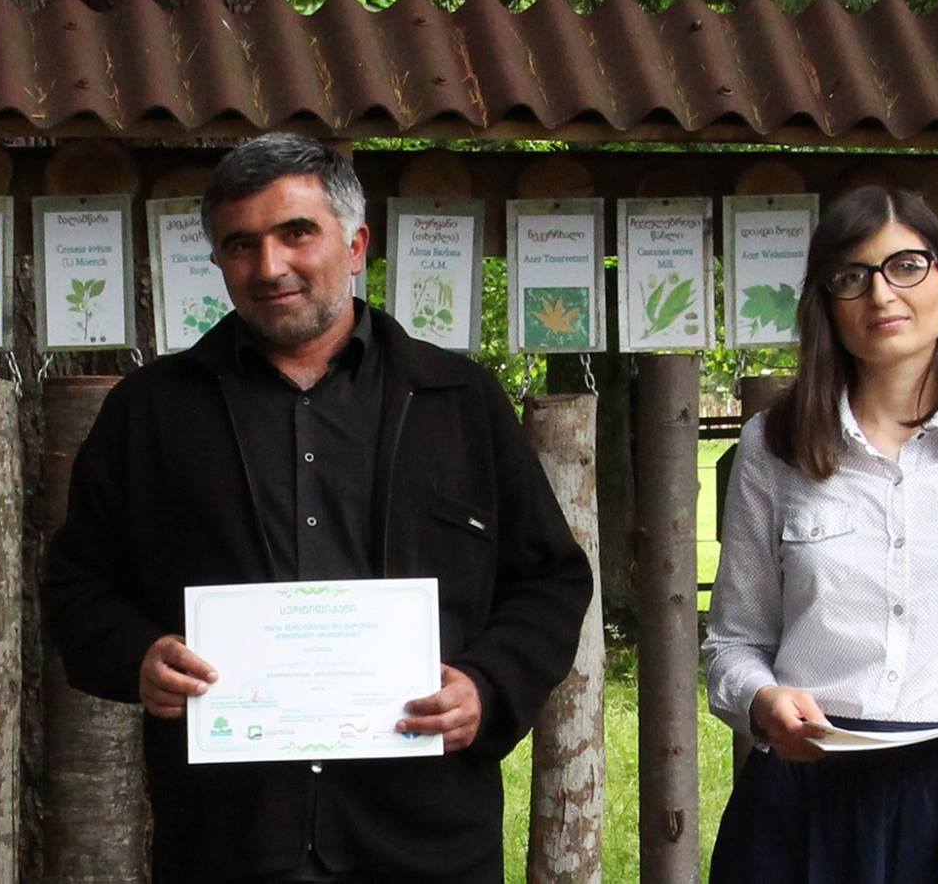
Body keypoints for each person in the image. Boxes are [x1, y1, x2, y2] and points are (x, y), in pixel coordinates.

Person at [43, 132, 593, 883]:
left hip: (426, 839)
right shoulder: (151, 413)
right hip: (229, 841)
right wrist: (136, 655)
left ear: (356, 245)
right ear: (218, 261)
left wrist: (487, 686)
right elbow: (77, 588)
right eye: (241, 244)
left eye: (296, 233)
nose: (269, 267)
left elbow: (549, 582)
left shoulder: (458, 401)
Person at [702, 185, 938, 882]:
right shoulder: (772, 447)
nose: (881, 294)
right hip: (805, 802)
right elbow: (733, 645)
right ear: (827, 306)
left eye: (906, 266)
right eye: (852, 277)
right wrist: (762, 701)